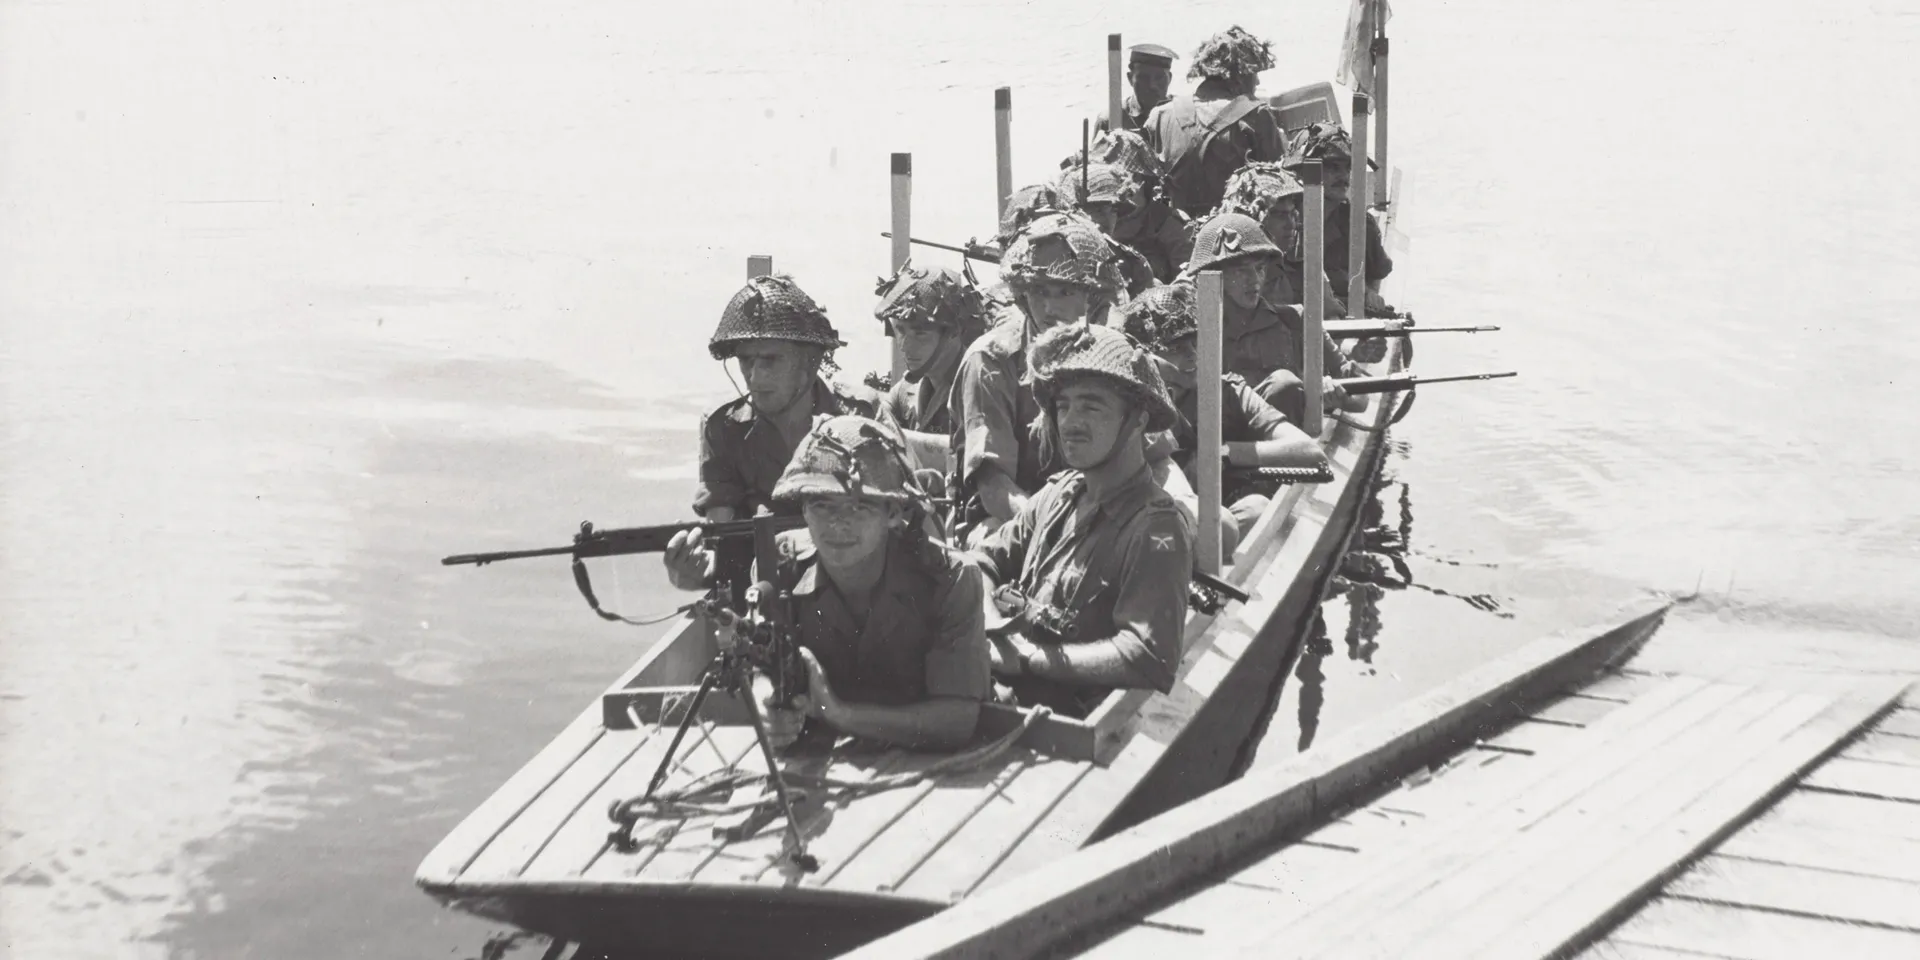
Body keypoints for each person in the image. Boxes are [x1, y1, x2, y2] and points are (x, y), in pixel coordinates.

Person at [663, 415, 990, 750]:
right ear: (803, 509)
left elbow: (957, 720)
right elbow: (765, 661)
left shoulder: (950, 578)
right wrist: (766, 703)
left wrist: (839, 714)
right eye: (822, 505)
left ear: (892, 513)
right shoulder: (778, 566)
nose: (837, 523)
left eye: (860, 506)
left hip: (928, 759)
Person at [970, 322, 1193, 716]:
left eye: (1091, 406)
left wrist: (1026, 657)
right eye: (1063, 406)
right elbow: (981, 561)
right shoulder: (1060, 493)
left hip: (1068, 724)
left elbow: (1146, 656)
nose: (1070, 422)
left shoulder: (1156, 526)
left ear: (1137, 420)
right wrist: (992, 627)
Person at [948, 212, 1126, 541]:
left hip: (1098, 514)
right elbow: (994, 487)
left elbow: (1150, 458)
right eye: (1039, 291)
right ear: (1021, 294)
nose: (1049, 308)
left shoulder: (1109, 352)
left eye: (1065, 292)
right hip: (1010, 518)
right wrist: (1059, 529)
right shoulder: (992, 360)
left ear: (1092, 297)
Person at [1115, 283, 1329, 553]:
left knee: (1256, 509)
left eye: (1196, 342)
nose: (1192, 354)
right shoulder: (1127, 405)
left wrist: (1223, 453)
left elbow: (1309, 451)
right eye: (1176, 347)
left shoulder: (1227, 391)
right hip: (1150, 526)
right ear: (1146, 356)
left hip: (1213, 522)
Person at [695, 275, 887, 521]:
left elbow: (896, 514)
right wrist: (702, 558)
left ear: (808, 363)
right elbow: (720, 530)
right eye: (746, 360)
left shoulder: (861, 414)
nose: (755, 376)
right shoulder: (722, 425)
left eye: (771, 360)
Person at [1180, 212, 1367, 423]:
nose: (1254, 280)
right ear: (1214, 275)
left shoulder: (1294, 319)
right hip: (1218, 443)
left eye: (1259, 269)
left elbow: (1361, 399)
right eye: (1241, 271)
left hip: (1285, 445)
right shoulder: (1190, 331)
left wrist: (1331, 395)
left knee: (1284, 385)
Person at [1142, 26, 1289, 218]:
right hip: (1234, 238)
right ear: (1239, 76)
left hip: (1176, 238)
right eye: (1254, 73)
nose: (1258, 82)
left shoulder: (1160, 115)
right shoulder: (1257, 116)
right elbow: (1277, 190)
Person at [872, 262, 989, 472]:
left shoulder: (979, 382)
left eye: (920, 333)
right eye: (900, 330)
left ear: (953, 332)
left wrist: (888, 433)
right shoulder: (906, 390)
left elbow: (976, 457)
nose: (905, 345)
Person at [1283, 122, 1395, 315]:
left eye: (1347, 168)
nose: (1343, 176)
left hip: (1342, 316)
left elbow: (1377, 272)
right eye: (1333, 168)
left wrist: (1369, 295)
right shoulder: (1283, 217)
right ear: (1301, 171)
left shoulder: (1359, 224)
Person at [1053, 161, 1159, 297]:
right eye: (1096, 210)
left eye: (1113, 210)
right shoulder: (1053, 258)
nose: (1107, 219)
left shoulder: (1133, 263)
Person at [1100, 43, 1178, 133]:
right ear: (1130, 78)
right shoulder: (1111, 120)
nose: (1152, 85)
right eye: (1144, 78)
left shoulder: (1180, 117)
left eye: (1159, 77)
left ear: (1169, 79)